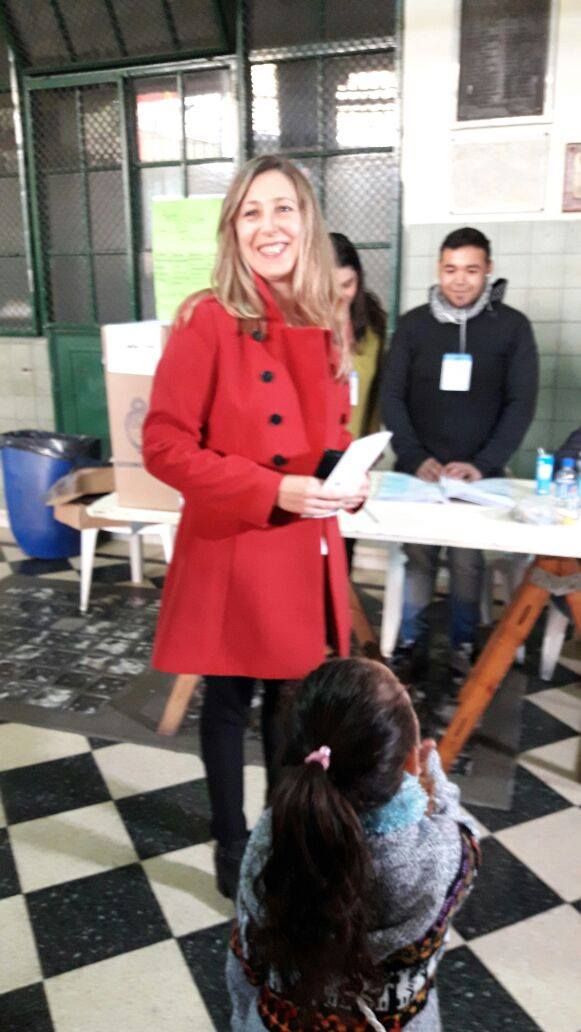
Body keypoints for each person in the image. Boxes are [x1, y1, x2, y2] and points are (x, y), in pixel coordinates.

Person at [142, 155, 369, 900]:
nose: (268, 226)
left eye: (283, 209)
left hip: (300, 544)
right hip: (235, 541)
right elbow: (164, 444)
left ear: (307, 223)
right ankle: (229, 839)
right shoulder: (207, 318)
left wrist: (346, 481)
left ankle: (275, 840)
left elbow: (326, 437)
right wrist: (272, 488)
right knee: (229, 697)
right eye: (251, 212)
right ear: (232, 229)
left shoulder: (324, 322)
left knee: (291, 706)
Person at [227, 657, 480, 1031]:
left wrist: (241, 1019)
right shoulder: (440, 854)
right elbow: (467, 837)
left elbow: (246, 959)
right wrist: (439, 789)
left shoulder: (273, 837)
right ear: (411, 762)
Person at [381, 227, 538, 679]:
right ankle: (410, 643)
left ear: (488, 270)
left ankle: (462, 645)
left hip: (480, 476)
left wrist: (482, 464)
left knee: (468, 561)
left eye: (471, 270)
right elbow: (392, 397)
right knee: (419, 558)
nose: (460, 280)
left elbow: (520, 403)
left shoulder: (511, 327)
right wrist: (414, 456)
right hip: (418, 473)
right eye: (450, 269)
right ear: (439, 269)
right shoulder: (413, 325)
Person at [330, 232, 387, 571]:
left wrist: (371, 449)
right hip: (310, 462)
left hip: (352, 463)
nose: (340, 296)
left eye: (347, 285)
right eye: (330, 286)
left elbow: (376, 395)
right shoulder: (298, 326)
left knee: (342, 557)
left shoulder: (373, 328)